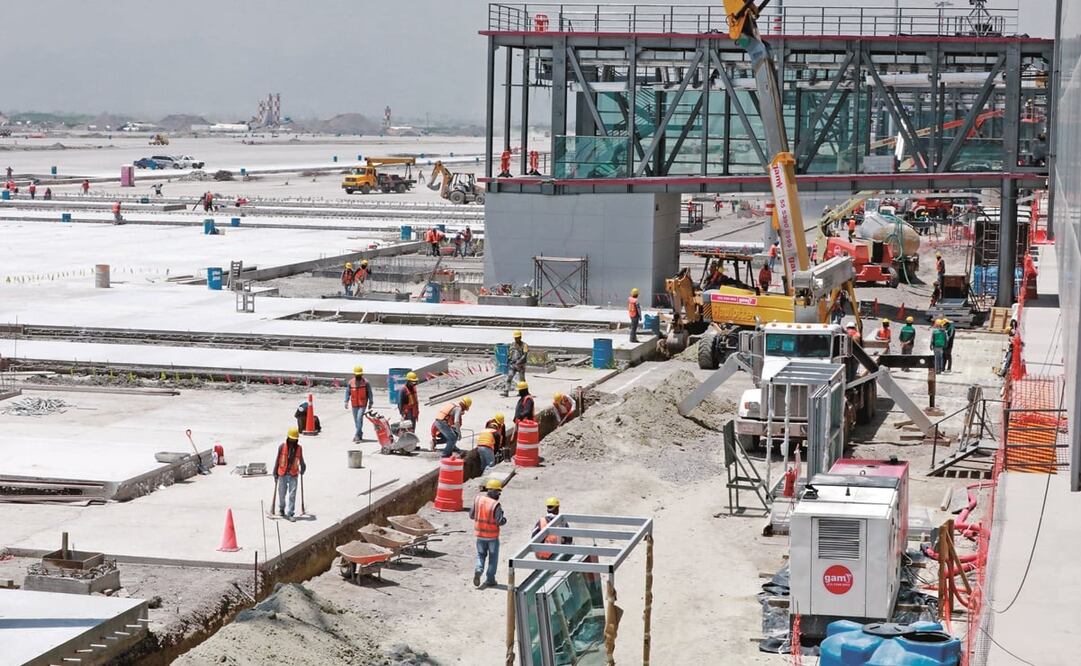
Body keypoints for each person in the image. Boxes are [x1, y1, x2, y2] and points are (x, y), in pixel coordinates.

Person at [470, 479, 507, 589]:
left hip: (480, 535)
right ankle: (490, 579)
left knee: (481, 555)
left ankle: (479, 569)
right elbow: (499, 521)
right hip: (492, 537)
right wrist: (504, 520)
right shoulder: (495, 505)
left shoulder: (478, 499)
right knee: (493, 558)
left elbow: (471, 515)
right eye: (498, 492)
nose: (499, 494)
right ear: (493, 491)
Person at [274, 427, 306, 521]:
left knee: (292, 495)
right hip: (282, 474)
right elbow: (277, 460)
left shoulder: (299, 448)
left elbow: (301, 459)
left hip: (293, 474)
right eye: (291, 439)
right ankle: (281, 509)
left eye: (294, 440)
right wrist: (275, 472)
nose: (292, 442)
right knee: (281, 493)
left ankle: (290, 513)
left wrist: (303, 467)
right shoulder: (282, 447)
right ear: (288, 438)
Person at [344, 366, 374, 443]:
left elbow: (370, 393)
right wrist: (346, 401)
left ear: (362, 374)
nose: (358, 376)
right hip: (354, 404)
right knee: (356, 421)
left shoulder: (366, 382)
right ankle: (360, 434)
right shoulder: (351, 382)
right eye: (357, 375)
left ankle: (357, 436)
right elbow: (347, 392)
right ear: (354, 374)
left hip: (362, 404)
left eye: (359, 375)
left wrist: (370, 402)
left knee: (359, 419)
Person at [502, 331, 528, 397]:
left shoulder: (524, 345)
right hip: (513, 364)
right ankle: (506, 391)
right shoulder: (512, 344)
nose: (516, 339)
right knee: (509, 378)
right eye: (515, 338)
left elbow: (525, 355)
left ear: (520, 337)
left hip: (521, 365)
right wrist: (508, 361)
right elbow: (510, 354)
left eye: (517, 338)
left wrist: (519, 361)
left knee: (522, 380)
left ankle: (523, 393)